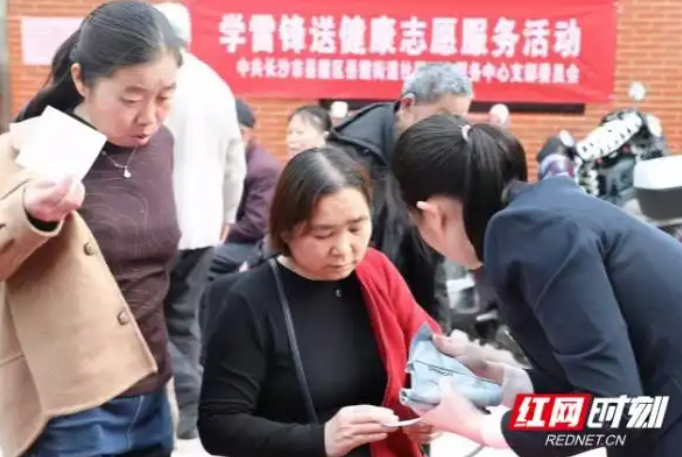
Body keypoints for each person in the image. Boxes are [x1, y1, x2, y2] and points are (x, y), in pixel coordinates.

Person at [391, 114, 682, 457]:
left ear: (431, 214)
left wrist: (479, 426)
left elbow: (613, 411)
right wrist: (497, 375)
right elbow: (588, 382)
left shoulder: (530, 234)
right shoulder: (543, 214)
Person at [2, 2, 183, 456]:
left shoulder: (160, 144)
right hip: (74, 409)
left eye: (165, 96)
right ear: (82, 80)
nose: (149, 117)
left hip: (152, 393)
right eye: (130, 99)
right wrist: (30, 215)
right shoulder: (39, 150)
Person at [199, 146, 441, 457]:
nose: (344, 248)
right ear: (286, 230)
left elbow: (429, 351)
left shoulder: (376, 270)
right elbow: (218, 425)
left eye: (356, 228)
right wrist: (320, 439)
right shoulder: (250, 301)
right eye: (323, 234)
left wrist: (432, 409)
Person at [154, 1, 247, 441]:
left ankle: (173, 403)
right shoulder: (216, 84)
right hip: (205, 223)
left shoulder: (154, 80)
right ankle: (190, 410)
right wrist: (228, 213)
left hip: (155, 221)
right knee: (184, 318)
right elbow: (234, 160)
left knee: (148, 316)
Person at [327, 62, 473, 322]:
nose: (451, 128)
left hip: (409, 304)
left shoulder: (439, 156)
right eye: (442, 116)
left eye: (459, 119)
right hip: (350, 303)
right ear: (407, 105)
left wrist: (439, 326)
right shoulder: (351, 155)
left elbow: (435, 253)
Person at [209, 99, 282, 279]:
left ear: (244, 133)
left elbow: (256, 225)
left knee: (201, 260)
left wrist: (215, 232)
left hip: (252, 244)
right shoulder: (229, 160)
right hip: (231, 237)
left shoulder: (263, 168)